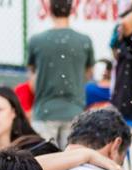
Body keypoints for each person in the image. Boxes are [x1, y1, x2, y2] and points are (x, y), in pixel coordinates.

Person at [27, 0, 94, 147]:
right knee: (71, 158)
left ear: (50, 10)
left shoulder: (36, 41)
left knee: (43, 158)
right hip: (75, 112)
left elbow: (32, 81)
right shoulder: (84, 41)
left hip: (45, 112)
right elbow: (88, 75)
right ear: (71, 10)